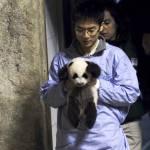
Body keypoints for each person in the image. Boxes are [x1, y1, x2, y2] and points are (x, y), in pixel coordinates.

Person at [40, 0, 140, 149]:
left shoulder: (115, 56)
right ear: (74, 28)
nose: (85, 35)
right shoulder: (61, 59)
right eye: (80, 30)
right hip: (71, 142)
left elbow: (130, 93)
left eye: (91, 30)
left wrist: (97, 84)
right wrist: (66, 86)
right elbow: (48, 98)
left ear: (100, 27)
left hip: (107, 141)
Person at [100, 1, 146, 149]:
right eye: (99, 23)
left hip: (131, 118)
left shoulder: (133, 42)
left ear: (116, 21)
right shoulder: (94, 49)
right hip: (105, 122)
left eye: (107, 22)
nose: (103, 28)